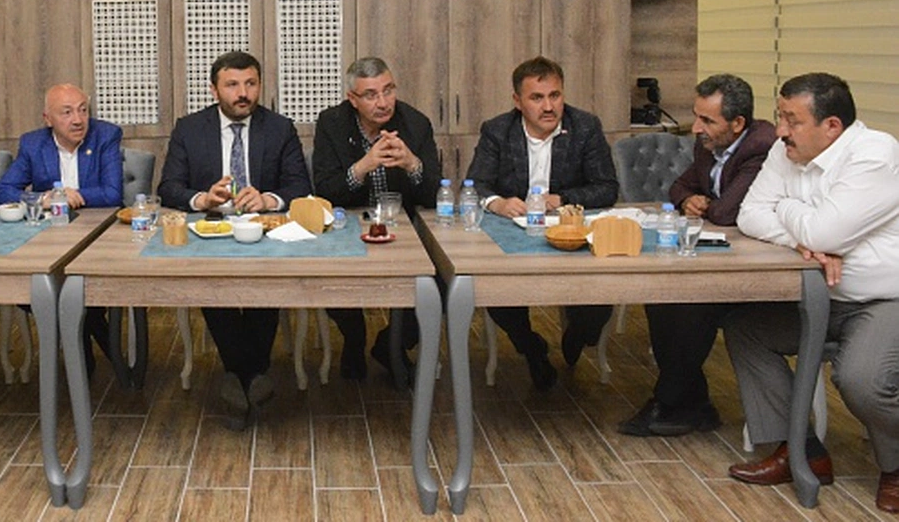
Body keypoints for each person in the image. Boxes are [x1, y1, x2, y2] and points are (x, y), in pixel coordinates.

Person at [724, 73, 899, 514]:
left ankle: (896, 466)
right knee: (747, 330)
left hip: (883, 299)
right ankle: (802, 451)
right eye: (780, 117)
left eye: (792, 120)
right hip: (820, 299)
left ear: (832, 127)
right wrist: (806, 241)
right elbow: (749, 214)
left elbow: (823, 231)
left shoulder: (875, 154)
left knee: (862, 380)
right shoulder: (787, 150)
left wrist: (789, 210)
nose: (779, 130)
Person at [157, 51, 311, 429]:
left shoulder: (279, 128)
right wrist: (202, 199)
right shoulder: (189, 129)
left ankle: (236, 376)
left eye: (251, 84)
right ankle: (253, 374)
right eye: (232, 85)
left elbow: (299, 186)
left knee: (267, 281)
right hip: (210, 231)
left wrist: (269, 200)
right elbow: (169, 187)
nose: (243, 93)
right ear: (214, 90)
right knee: (212, 283)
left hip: (264, 232)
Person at [619, 74, 776, 437]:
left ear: (738, 123)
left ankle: (670, 400)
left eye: (707, 120)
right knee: (660, 295)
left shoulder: (760, 148)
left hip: (759, 270)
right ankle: (691, 402)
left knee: (690, 303)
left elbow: (726, 212)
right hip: (723, 256)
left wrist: (706, 205)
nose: (695, 128)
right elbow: (679, 186)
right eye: (696, 116)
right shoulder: (709, 144)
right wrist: (688, 199)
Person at [467, 56, 618, 391]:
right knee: (496, 289)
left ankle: (577, 335)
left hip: (571, 236)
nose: (548, 107)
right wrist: (498, 203)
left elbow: (607, 187)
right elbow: (475, 184)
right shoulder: (498, 130)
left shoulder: (585, 127)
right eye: (537, 98)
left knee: (599, 300)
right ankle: (531, 348)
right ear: (517, 101)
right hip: (513, 234)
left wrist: (561, 199)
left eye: (555, 96)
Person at [312, 57, 440, 381]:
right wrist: (362, 167)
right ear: (352, 99)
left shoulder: (416, 124)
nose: (383, 103)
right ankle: (354, 336)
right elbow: (324, 190)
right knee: (328, 274)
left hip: (403, 229)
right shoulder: (332, 123)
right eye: (370, 95)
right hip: (347, 226)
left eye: (388, 90)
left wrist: (412, 164)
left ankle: (390, 345)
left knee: (439, 280)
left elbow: (435, 196)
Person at [0, 83, 123, 373]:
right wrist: (43, 198)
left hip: (98, 240)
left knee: (76, 290)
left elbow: (113, 194)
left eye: (83, 110)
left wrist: (75, 195)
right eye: (67, 112)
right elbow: (0, 193)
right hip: (49, 242)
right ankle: (108, 363)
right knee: (49, 291)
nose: (78, 120)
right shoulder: (33, 144)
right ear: (47, 119)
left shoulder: (106, 135)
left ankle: (87, 364)